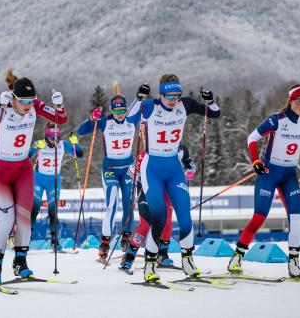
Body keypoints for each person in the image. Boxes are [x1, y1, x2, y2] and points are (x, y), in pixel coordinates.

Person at [0, 69, 67, 285]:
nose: (28, 105)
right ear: (14, 97)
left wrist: (59, 105)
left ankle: (20, 262)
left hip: (23, 170)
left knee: (24, 219)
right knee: (6, 221)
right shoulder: (3, 108)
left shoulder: (35, 106)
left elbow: (60, 119)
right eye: (23, 101)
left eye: (31, 100)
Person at [126, 75, 220, 283]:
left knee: (185, 217)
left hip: (174, 168)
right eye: (168, 96)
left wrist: (210, 101)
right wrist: (139, 98)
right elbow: (129, 118)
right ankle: (150, 265)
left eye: (176, 95)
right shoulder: (150, 106)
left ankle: (188, 260)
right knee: (158, 218)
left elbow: (214, 113)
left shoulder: (184, 105)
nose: (173, 100)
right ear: (161, 94)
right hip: (152, 168)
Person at [227, 84, 300, 279]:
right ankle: (237, 257)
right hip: (269, 173)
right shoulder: (277, 120)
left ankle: (294, 263)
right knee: (260, 217)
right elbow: (251, 138)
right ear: (291, 101)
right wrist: (255, 160)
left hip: (289, 175)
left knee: (296, 217)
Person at [77, 81, 140, 261]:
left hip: (128, 167)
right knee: (112, 203)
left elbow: (143, 107)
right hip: (111, 168)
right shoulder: (105, 123)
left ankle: (126, 238)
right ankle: (105, 243)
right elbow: (81, 131)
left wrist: (141, 97)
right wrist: (91, 119)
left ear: (126, 110)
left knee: (129, 204)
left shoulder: (132, 120)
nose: (120, 114)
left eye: (123, 110)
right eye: (116, 111)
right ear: (112, 110)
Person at [120, 144, 195, 273]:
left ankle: (162, 254)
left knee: (167, 221)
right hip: (147, 188)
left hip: (167, 188)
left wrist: (190, 171)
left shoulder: (181, 149)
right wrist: (137, 171)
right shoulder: (153, 149)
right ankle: (129, 257)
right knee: (145, 223)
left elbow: (190, 164)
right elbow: (131, 170)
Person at [29, 126, 83, 251]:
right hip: (38, 179)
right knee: (34, 209)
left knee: (53, 211)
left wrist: (75, 144)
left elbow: (79, 154)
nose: (55, 141)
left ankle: (55, 241)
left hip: (53, 180)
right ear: (46, 138)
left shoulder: (62, 144)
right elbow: (27, 156)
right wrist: (36, 148)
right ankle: (25, 239)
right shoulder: (40, 143)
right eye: (52, 139)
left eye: (57, 138)